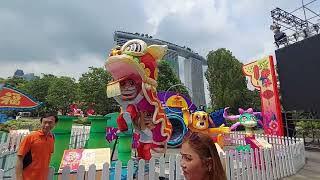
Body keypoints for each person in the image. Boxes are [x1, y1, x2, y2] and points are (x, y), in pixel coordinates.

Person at [16, 112, 58, 180]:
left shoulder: (52, 138)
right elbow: (19, 159)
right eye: (45, 122)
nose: (47, 125)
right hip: (27, 177)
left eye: (50, 122)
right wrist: (19, 178)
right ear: (41, 122)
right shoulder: (30, 137)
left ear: (55, 124)